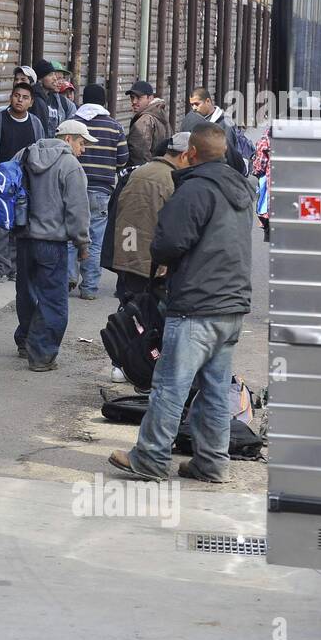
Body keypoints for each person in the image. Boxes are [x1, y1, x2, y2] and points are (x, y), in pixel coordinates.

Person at [108, 123, 254, 483]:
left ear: (191, 152)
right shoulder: (240, 189)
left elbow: (168, 244)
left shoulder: (195, 190)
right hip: (231, 307)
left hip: (196, 306)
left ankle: (151, 458)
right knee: (216, 390)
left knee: (170, 386)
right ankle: (212, 462)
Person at [103, 131, 194, 382]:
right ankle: (142, 365)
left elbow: (119, 213)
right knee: (149, 318)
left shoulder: (138, 172)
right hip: (153, 262)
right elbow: (170, 226)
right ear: (184, 156)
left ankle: (120, 364)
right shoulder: (172, 179)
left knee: (129, 310)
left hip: (127, 255)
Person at [14, 120, 91, 370]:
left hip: (24, 239)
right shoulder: (70, 165)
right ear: (68, 139)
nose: (84, 149)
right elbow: (78, 210)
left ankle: (25, 342)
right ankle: (41, 355)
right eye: (82, 142)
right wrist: (83, 243)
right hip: (52, 244)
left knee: (26, 294)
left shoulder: (25, 154)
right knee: (53, 301)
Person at [0, 82, 46, 282]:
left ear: (31, 102)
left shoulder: (35, 124)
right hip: (1, 183)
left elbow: (41, 152)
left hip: (25, 184)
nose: (20, 100)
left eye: (25, 97)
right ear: (11, 97)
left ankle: (16, 268)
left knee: (21, 225)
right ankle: (1, 267)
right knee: (0, 225)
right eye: (16, 95)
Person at [69, 84, 128, 300]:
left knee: (70, 235)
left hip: (74, 188)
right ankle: (90, 287)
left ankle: (68, 279)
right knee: (94, 239)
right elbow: (123, 159)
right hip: (101, 190)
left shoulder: (72, 124)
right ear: (104, 101)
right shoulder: (114, 126)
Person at [189, 87, 249, 174]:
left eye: (197, 104)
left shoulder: (225, 123)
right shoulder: (194, 120)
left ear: (208, 101)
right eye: (192, 105)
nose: (194, 108)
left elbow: (229, 153)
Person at [124, 80, 171, 168]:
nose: (134, 102)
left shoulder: (144, 120)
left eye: (139, 98)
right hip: (160, 170)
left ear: (150, 98)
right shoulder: (160, 113)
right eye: (132, 97)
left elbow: (139, 154)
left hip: (145, 174)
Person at [30, 59, 77, 136]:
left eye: (62, 78)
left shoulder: (61, 101)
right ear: (40, 79)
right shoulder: (36, 100)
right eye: (50, 75)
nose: (55, 79)